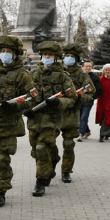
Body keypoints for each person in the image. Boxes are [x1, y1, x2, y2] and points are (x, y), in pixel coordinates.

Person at [0, 35, 35, 207]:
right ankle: (5, 174)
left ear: (16, 54)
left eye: (8, 51)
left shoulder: (23, 76)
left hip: (8, 125)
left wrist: (16, 106)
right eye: (2, 51)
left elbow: (32, 98)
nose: (4, 54)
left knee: (2, 158)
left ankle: (0, 191)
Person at [26, 41, 76, 197]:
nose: (47, 57)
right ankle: (53, 160)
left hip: (52, 118)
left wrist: (59, 102)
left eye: (50, 55)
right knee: (36, 149)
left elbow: (72, 98)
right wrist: (26, 107)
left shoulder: (62, 76)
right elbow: (26, 95)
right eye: (45, 55)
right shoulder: (33, 74)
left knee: (42, 147)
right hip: (35, 118)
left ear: (56, 58)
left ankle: (40, 181)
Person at [59, 44, 92, 182]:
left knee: (68, 144)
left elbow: (90, 91)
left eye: (72, 57)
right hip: (54, 113)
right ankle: (48, 167)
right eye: (67, 56)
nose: (69, 58)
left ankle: (66, 170)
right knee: (46, 143)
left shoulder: (81, 74)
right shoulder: (57, 71)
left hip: (71, 113)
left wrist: (79, 98)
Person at [78, 60, 100, 141]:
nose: (88, 68)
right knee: (80, 117)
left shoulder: (94, 77)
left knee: (84, 116)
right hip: (79, 99)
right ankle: (87, 131)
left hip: (88, 100)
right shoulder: (79, 76)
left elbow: (99, 89)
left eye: (89, 66)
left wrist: (93, 97)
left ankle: (81, 133)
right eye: (86, 66)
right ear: (82, 67)